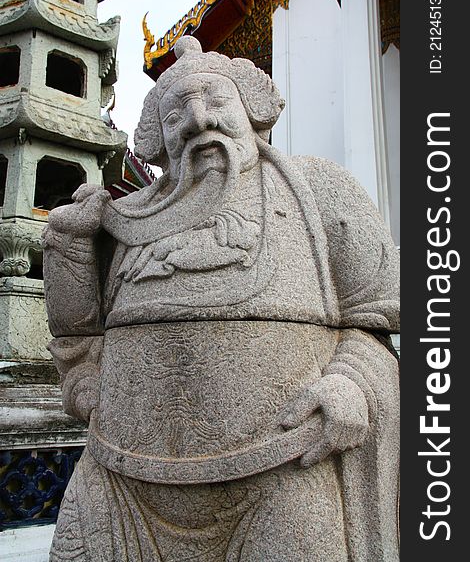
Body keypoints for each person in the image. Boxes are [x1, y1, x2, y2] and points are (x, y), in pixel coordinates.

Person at [44, 37, 399, 561]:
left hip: (284, 473)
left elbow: (376, 319)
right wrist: (84, 377)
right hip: (120, 481)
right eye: (175, 115)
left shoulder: (317, 191)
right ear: (159, 141)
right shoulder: (126, 218)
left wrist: (353, 385)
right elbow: (77, 333)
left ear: (249, 111)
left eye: (215, 100)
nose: (197, 121)